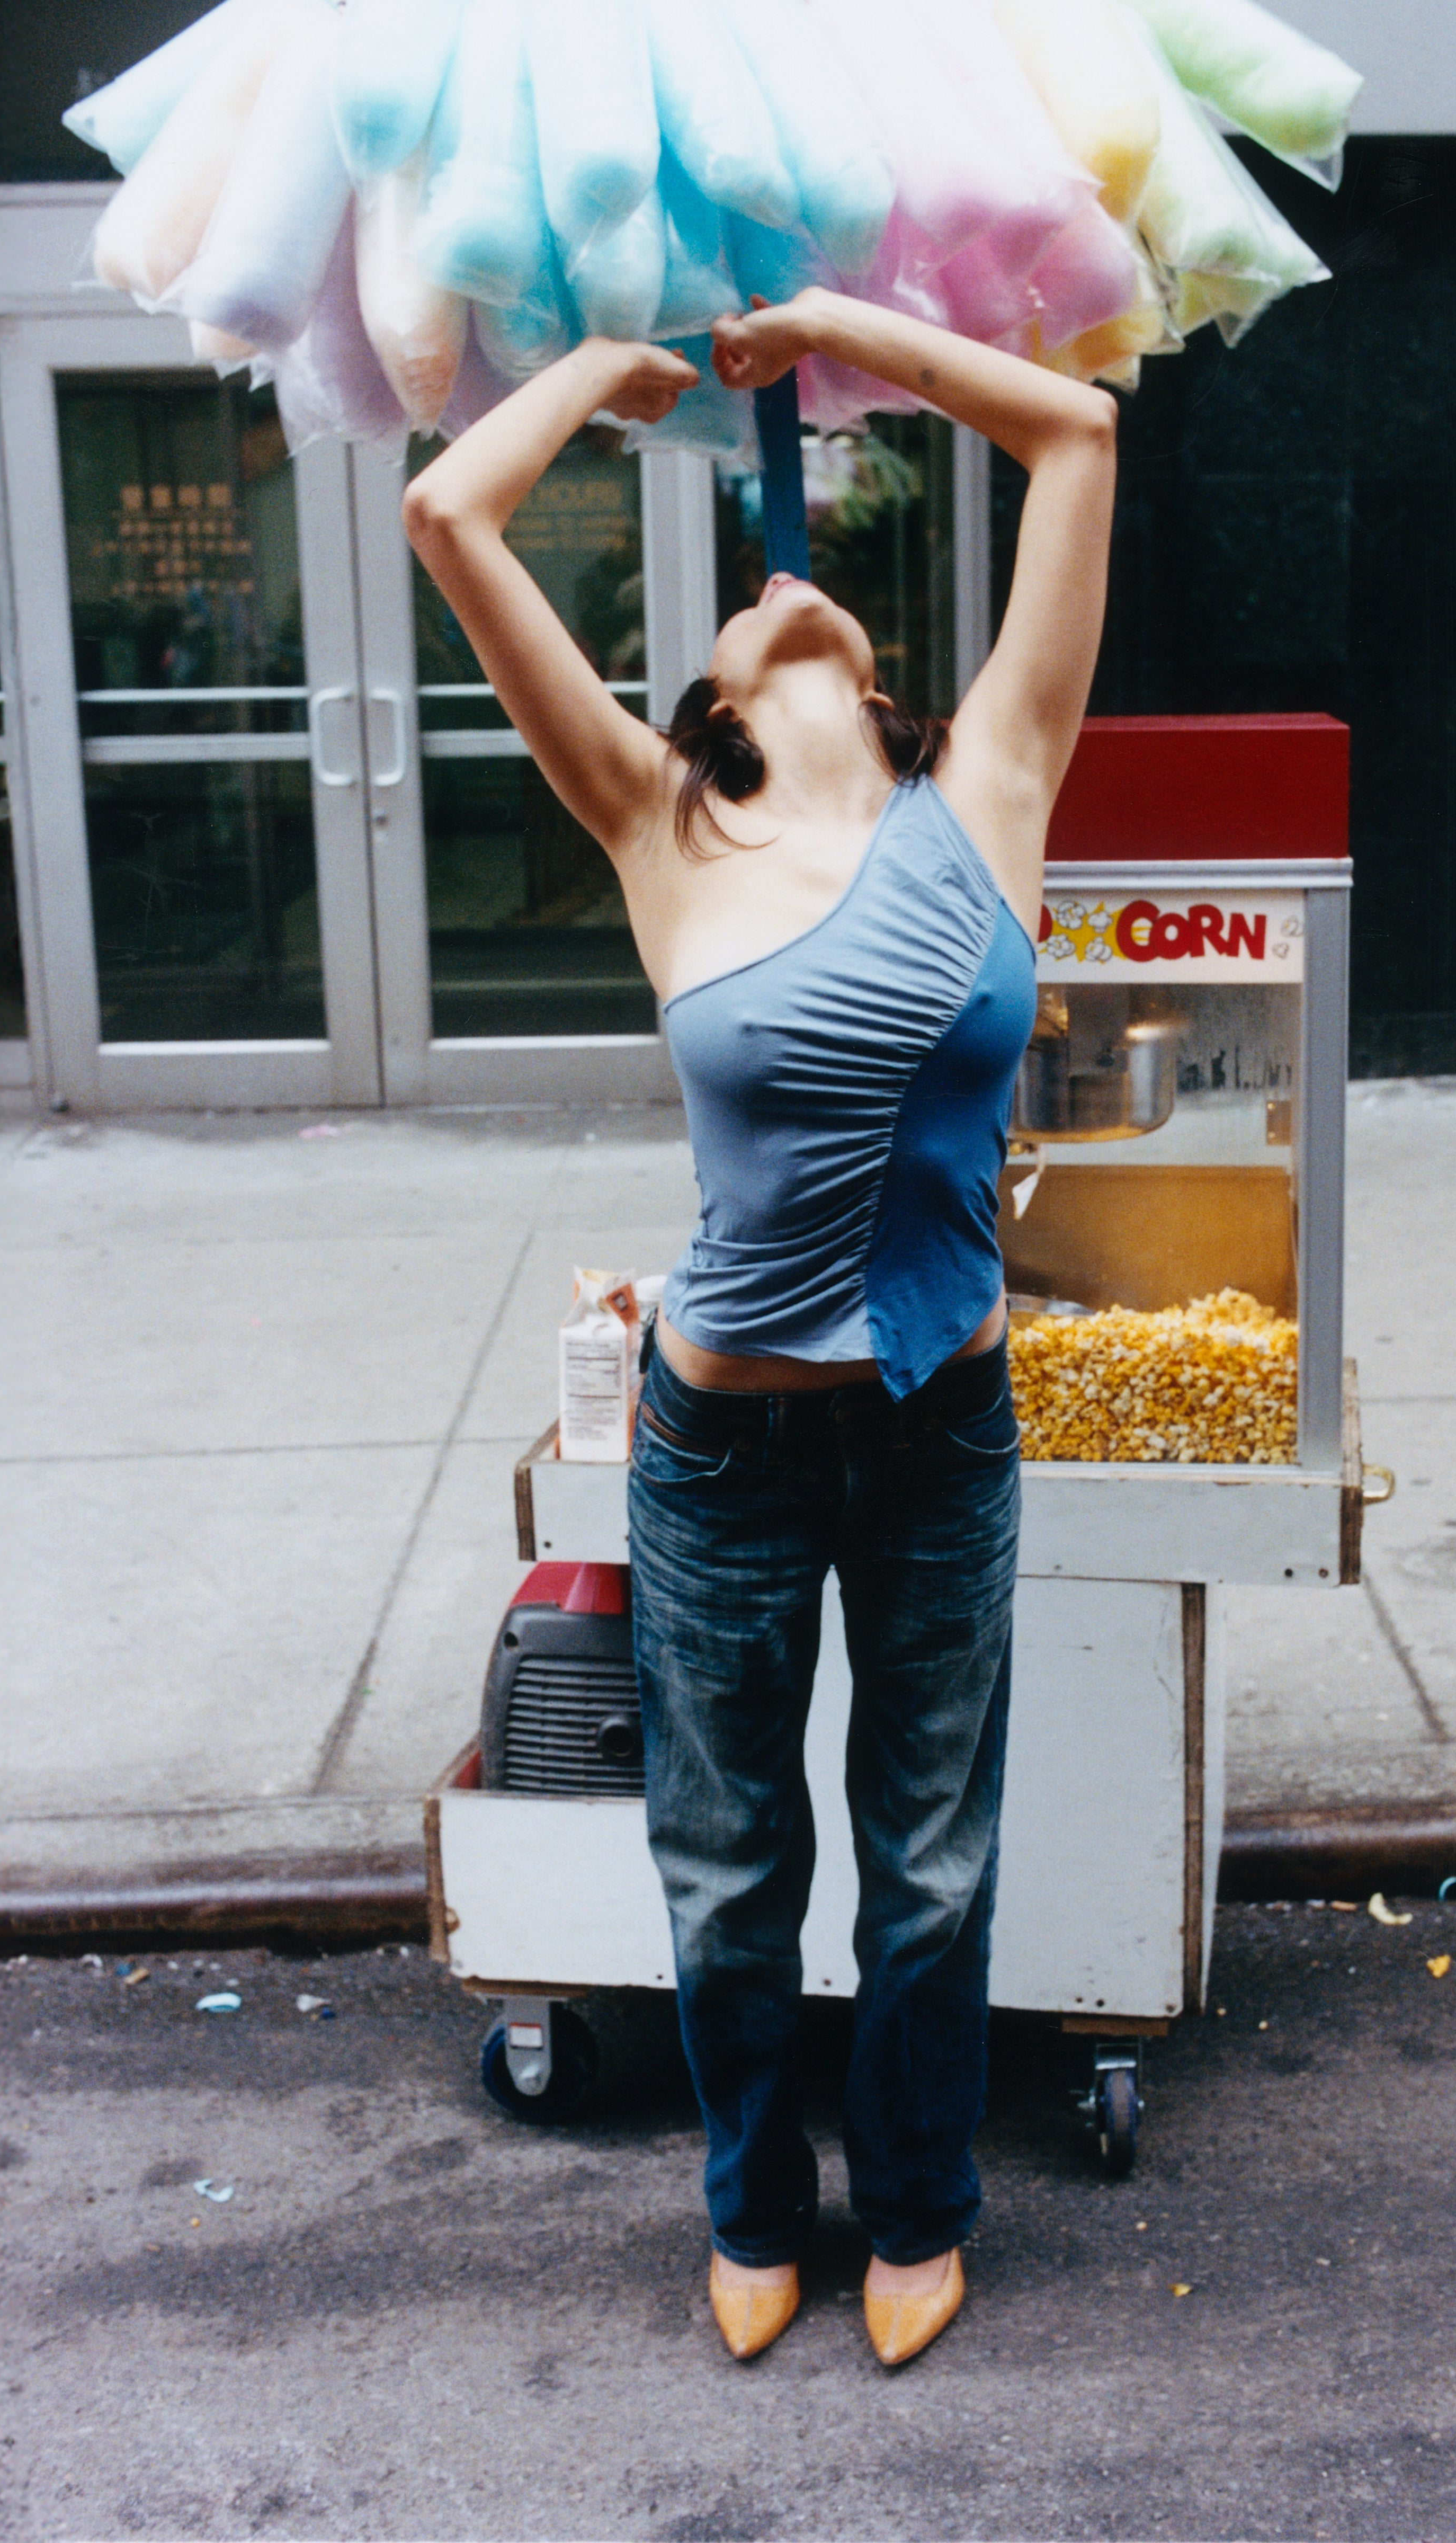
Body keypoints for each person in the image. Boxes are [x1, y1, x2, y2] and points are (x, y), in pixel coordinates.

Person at [406, 289, 1114, 2366]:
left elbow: (1073, 434)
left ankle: (914, 2208)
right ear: (708, 691)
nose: (789, 589)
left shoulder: (989, 785)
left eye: (828, 600)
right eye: (745, 604)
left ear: (881, 681)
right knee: (723, 1878)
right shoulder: (657, 821)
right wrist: (602, 383)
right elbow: (456, 514)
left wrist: (839, 330)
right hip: (714, 1446)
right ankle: (746, 2203)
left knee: (927, 1868)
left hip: (939, 1433)